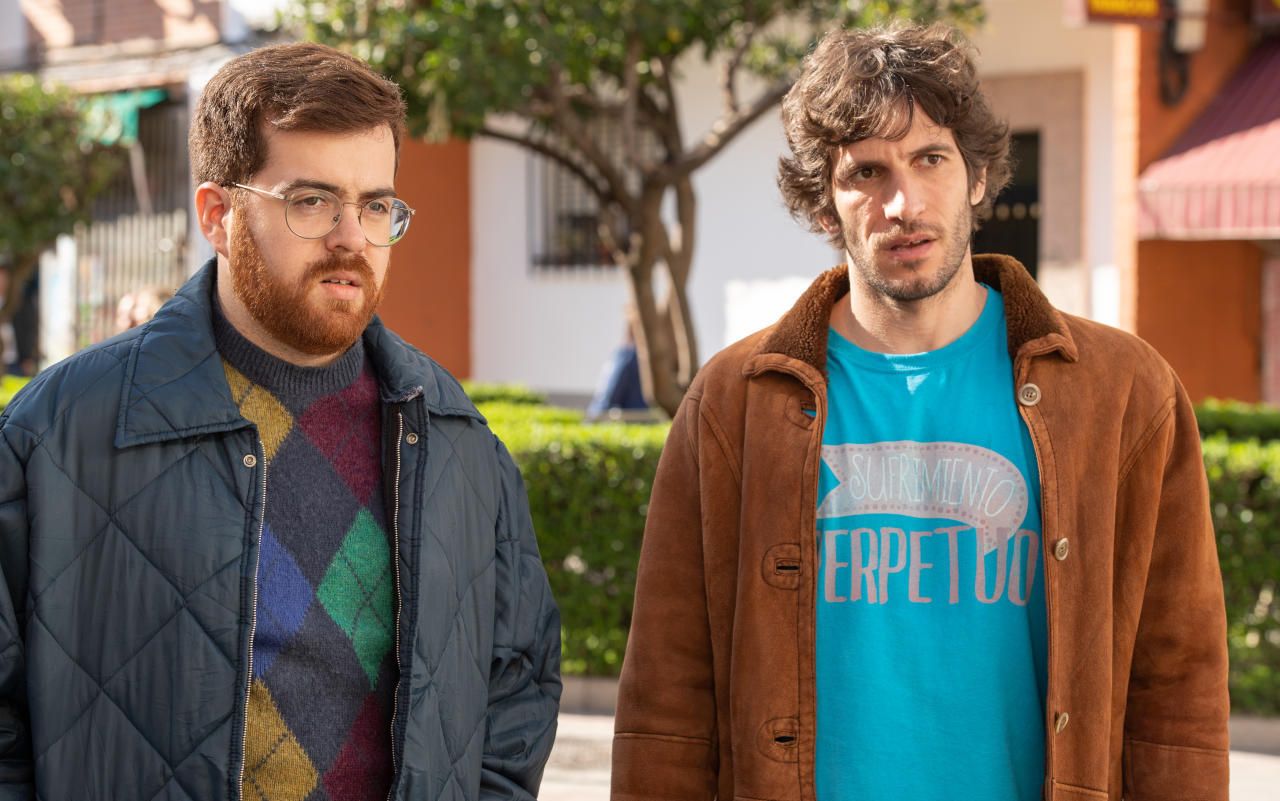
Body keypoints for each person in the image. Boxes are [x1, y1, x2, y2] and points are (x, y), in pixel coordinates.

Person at [612, 24, 1228, 801]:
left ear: (976, 174)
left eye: (930, 158)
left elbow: (1178, 691)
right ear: (825, 206)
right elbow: (669, 698)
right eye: (866, 172)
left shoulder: (1124, 394)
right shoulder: (735, 404)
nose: (902, 204)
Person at [0, 42, 560, 801]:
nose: (352, 237)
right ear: (217, 214)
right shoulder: (57, 434)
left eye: (375, 206)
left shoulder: (456, 440)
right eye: (312, 201)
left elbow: (516, 690)